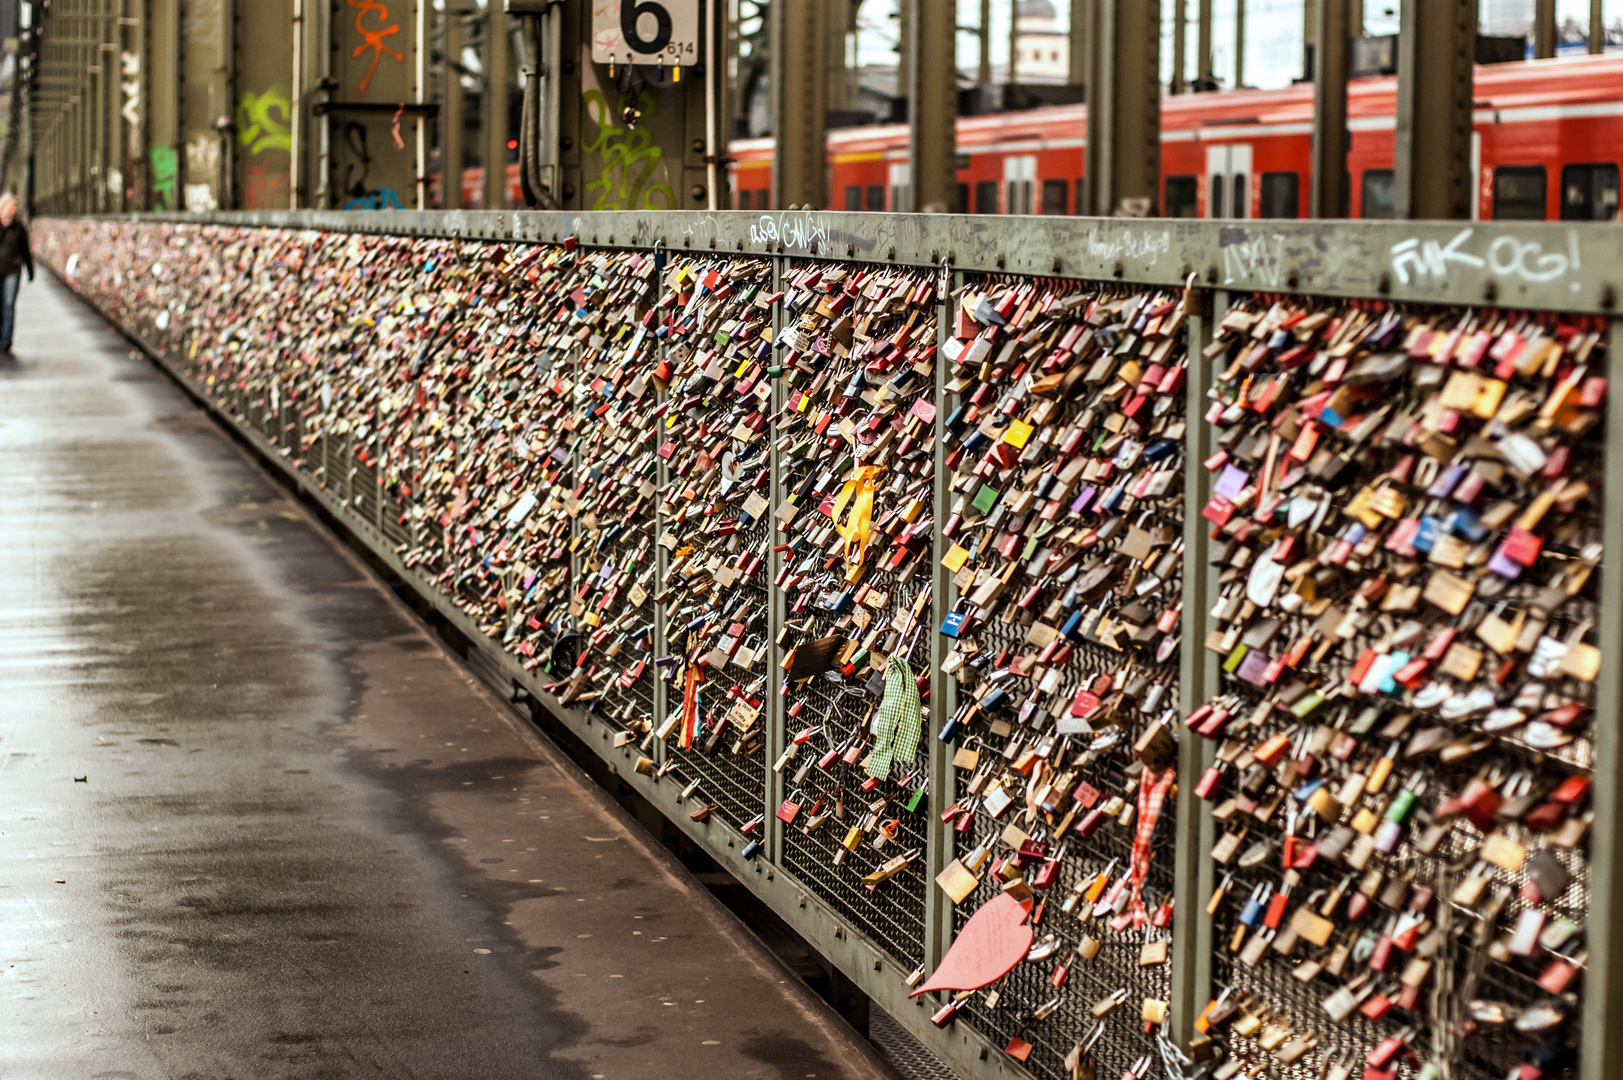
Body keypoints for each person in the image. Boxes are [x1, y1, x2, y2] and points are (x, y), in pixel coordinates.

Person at [0, 194, 33, 355]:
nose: (13, 210)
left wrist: (30, 269)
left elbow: (25, 250)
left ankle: (6, 340)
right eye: (11, 206)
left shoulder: (19, 227)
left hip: (12, 270)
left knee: (8, 304)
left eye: (15, 207)